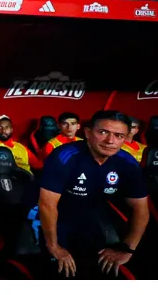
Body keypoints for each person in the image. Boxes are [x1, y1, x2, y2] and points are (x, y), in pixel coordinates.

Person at [39, 111, 149, 279]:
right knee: (60, 267)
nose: (110, 141)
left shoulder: (127, 162)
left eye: (119, 135)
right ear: (88, 132)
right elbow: (47, 205)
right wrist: (54, 247)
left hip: (92, 211)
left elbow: (140, 209)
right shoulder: (65, 156)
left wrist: (128, 249)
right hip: (53, 211)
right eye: (103, 132)